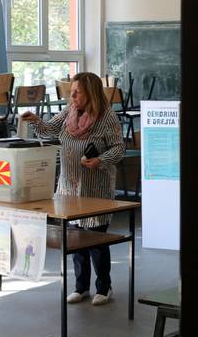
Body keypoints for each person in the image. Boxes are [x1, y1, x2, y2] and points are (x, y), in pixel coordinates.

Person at [21, 72, 125, 305]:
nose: (73, 95)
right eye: (72, 91)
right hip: (68, 187)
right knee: (75, 238)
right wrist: (34, 120)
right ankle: (80, 286)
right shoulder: (69, 112)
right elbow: (49, 130)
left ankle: (103, 287)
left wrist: (100, 160)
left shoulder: (106, 116)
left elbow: (119, 149)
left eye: (77, 91)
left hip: (95, 188)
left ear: (91, 93)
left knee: (96, 239)